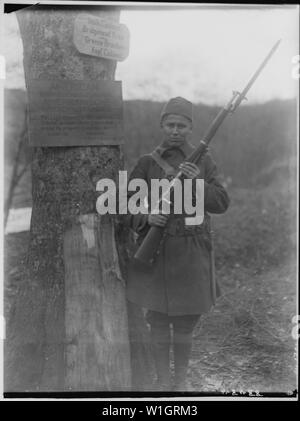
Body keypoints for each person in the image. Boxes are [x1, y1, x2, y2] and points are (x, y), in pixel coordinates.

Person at [125, 97, 230, 391]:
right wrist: (146, 215)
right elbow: (125, 205)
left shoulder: (205, 162)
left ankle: (180, 382)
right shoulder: (147, 163)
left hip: (191, 252)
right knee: (157, 320)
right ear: (161, 126)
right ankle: (161, 381)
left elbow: (222, 202)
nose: (175, 130)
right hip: (156, 252)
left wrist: (199, 184)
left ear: (191, 128)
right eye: (170, 124)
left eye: (181, 125)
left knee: (186, 322)